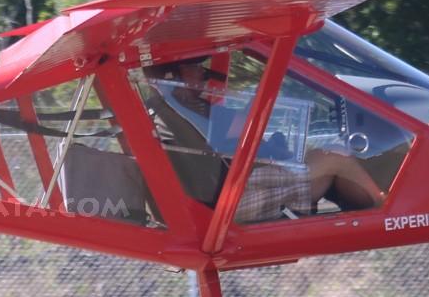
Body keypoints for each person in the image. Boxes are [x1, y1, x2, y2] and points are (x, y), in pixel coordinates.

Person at [142, 57, 384, 221]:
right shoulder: (184, 111)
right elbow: (242, 134)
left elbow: (233, 140)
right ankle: (386, 210)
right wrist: (261, 98)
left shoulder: (172, 111)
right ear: (173, 76)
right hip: (236, 197)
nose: (202, 72)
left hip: (233, 191)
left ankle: (363, 209)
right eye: (193, 66)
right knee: (335, 157)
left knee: (322, 160)